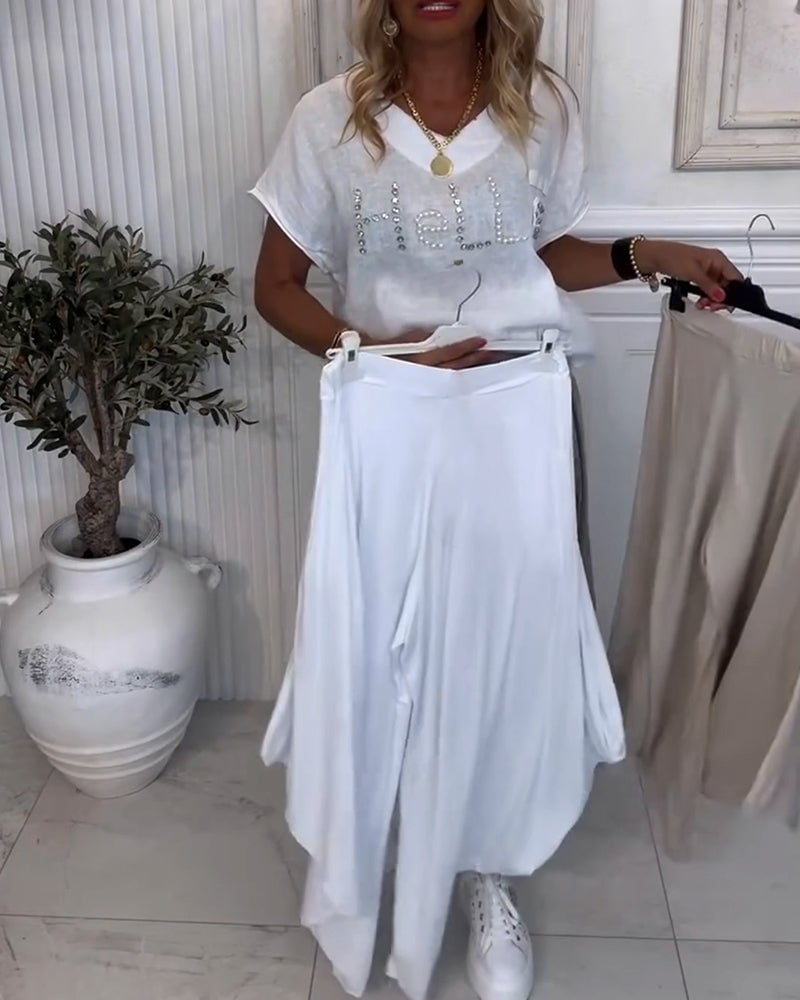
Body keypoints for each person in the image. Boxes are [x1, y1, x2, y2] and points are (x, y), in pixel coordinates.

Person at [250, 2, 743, 999]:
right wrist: (378, 351)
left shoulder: (541, 106)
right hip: (391, 419)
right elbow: (278, 286)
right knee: (385, 645)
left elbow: (543, 255)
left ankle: (484, 869)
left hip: (516, 417)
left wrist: (650, 253)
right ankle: (387, 847)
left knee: (500, 651)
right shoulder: (326, 119)